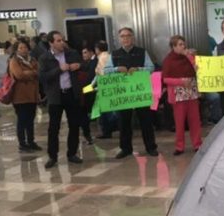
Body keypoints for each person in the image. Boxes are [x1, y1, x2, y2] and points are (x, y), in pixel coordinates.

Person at [106, 27, 159, 158]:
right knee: (123, 122)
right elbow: (105, 71)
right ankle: (125, 149)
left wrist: (139, 69)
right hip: (123, 93)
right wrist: (117, 69)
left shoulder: (142, 52)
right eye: (123, 36)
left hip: (140, 91)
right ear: (119, 39)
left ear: (133, 37)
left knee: (145, 120)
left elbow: (151, 68)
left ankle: (151, 147)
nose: (126, 38)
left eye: (128, 36)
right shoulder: (114, 54)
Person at [38, 31, 84, 169]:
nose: (61, 43)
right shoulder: (44, 58)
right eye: (58, 40)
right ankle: (53, 156)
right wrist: (59, 69)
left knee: (74, 125)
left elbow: (84, 64)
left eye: (62, 40)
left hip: (71, 93)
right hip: (55, 96)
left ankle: (72, 153)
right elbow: (43, 78)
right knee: (54, 128)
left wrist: (79, 66)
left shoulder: (72, 53)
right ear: (51, 43)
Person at [162, 35, 203, 155]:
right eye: (180, 44)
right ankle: (179, 147)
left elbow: (198, 69)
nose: (183, 46)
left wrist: (189, 56)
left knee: (195, 120)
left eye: (183, 44)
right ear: (173, 47)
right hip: (178, 94)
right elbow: (165, 79)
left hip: (192, 92)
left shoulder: (189, 57)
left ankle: (197, 144)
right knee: (179, 122)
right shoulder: (168, 60)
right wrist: (181, 82)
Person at [9, 40, 42, 152]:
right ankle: (22, 143)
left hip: (32, 95)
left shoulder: (32, 60)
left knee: (30, 120)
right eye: (21, 48)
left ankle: (31, 141)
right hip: (20, 96)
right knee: (22, 120)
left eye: (25, 47)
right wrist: (31, 72)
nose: (24, 50)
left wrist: (28, 72)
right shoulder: (14, 61)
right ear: (16, 50)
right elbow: (19, 75)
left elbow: (39, 72)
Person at [78, 46, 98, 145]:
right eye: (82, 53)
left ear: (91, 52)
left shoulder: (94, 62)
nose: (84, 55)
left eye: (85, 52)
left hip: (90, 89)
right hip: (85, 90)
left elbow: (92, 78)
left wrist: (85, 90)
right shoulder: (86, 63)